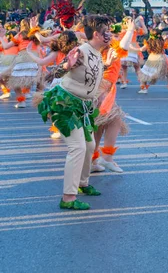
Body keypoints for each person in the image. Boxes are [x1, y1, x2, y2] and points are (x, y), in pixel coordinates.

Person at [37, 15, 115, 210]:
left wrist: (106, 65)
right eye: (106, 31)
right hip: (64, 104)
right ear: (97, 34)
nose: (110, 34)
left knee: (89, 145)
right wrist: (65, 66)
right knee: (78, 147)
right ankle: (68, 197)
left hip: (81, 106)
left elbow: (91, 73)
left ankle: (82, 184)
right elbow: (56, 72)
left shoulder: (97, 52)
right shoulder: (79, 51)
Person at [91, 20, 135, 173]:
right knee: (115, 119)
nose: (111, 35)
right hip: (101, 87)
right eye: (107, 33)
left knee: (99, 124)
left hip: (103, 87)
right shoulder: (107, 49)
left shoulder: (98, 47)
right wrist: (130, 31)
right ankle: (107, 158)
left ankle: (93, 160)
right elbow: (122, 47)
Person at [134, 29, 168, 95]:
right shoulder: (163, 42)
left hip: (152, 58)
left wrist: (132, 48)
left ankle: (144, 89)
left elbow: (142, 49)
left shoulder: (149, 42)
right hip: (162, 58)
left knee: (145, 73)